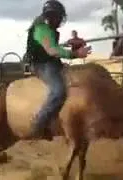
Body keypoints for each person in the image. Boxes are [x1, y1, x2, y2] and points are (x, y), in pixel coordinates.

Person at [25, 0, 91, 140]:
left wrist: (69, 44)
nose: (60, 20)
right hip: (41, 64)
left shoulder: (48, 29)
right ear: (51, 16)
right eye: (59, 16)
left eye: (61, 17)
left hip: (50, 62)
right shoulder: (41, 29)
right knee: (58, 91)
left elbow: (52, 46)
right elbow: (51, 50)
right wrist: (75, 54)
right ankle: (38, 124)